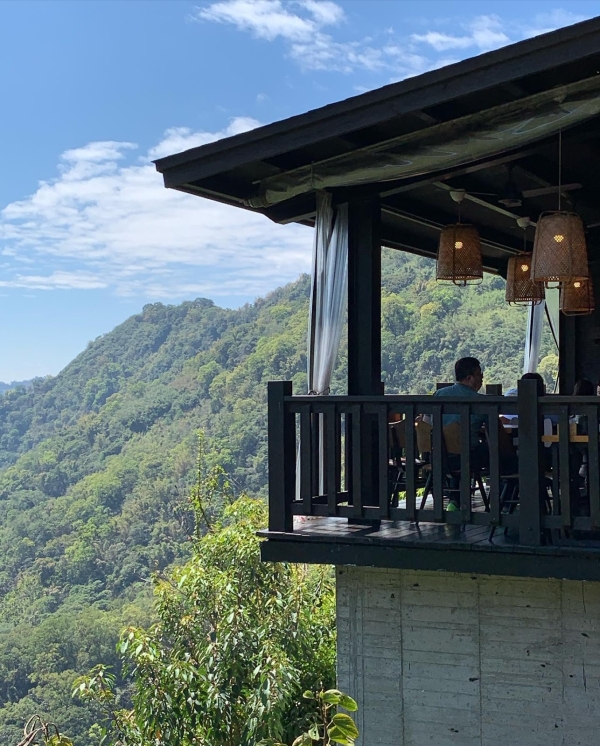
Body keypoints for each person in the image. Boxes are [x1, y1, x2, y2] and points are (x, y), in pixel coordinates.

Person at [434, 357, 488, 509]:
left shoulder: (439, 394)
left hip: (439, 456)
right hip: (467, 457)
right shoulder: (480, 401)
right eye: (479, 374)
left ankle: (454, 501)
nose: (482, 378)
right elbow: (494, 428)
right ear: (470, 378)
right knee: (495, 451)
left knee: (459, 450)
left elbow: (428, 421)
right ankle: (505, 498)